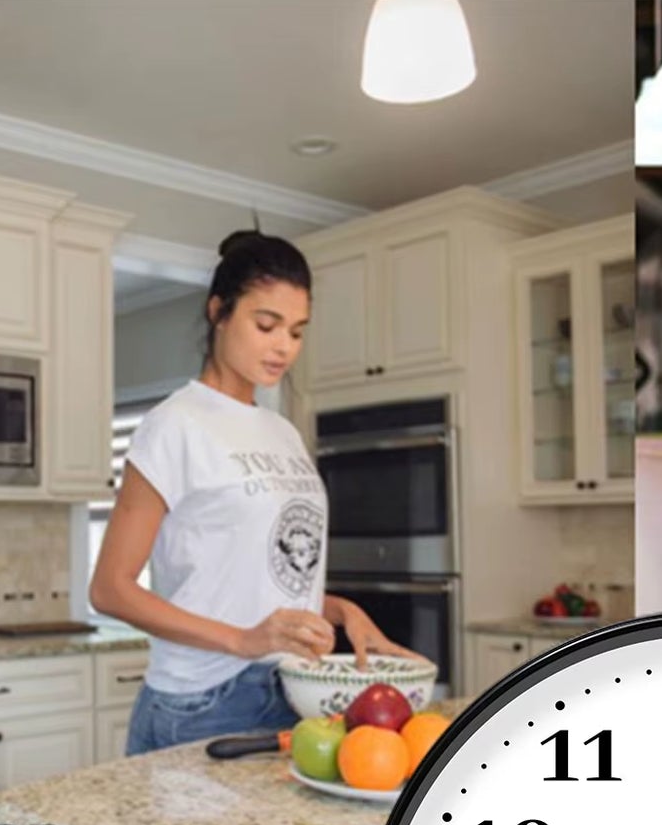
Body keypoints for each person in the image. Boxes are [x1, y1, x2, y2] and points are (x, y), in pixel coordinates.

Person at [90, 230, 423, 755]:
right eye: (266, 325)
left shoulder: (281, 431)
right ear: (219, 311)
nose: (283, 346)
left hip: (291, 688)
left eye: (296, 331)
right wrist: (244, 641)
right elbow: (110, 588)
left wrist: (336, 610)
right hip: (203, 700)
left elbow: (251, 573)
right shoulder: (175, 424)